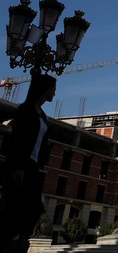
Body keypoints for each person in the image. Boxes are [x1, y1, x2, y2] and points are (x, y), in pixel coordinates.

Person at [0, 73, 56, 252]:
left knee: (31, 210)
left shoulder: (42, 115)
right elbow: (16, 141)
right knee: (17, 207)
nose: (54, 93)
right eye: (53, 89)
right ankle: (9, 242)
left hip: (34, 167)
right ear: (45, 90)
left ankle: (18, 241)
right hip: (22, 165)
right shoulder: (25, 111)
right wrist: (16, 167)